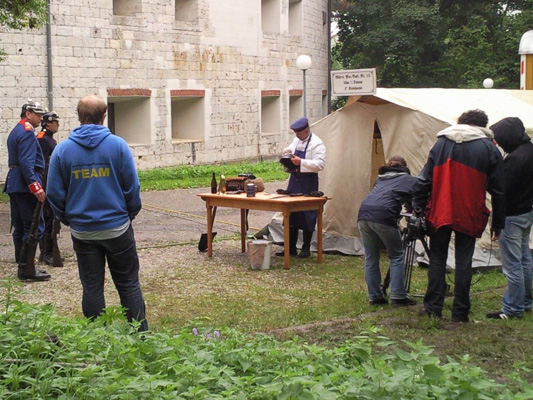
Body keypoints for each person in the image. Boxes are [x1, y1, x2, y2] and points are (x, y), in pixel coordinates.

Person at [47, 95, 148, 332]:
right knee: (128, 284)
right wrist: (128, 214)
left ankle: (96, 341)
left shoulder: (62, 150)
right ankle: (142, 337)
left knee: (92, 287)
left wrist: (69, 218)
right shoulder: (118, 145)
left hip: (83, 232)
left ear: (79, 116)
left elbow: (53, 193)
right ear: (104, 117)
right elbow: (132, 188)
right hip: (117, 229)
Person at [412, 109, 505, 323]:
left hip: (440, 210)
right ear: (483, 126)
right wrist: (498, 223)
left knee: (437, 259)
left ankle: (433, 308)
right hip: (469, 211)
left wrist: (417, 207)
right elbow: (499, 190)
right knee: (464, 262)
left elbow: (424, 180)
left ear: (460, 123)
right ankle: (460, 312)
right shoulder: (489, 148)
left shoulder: (441, 143)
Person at [486, 117, 533, 320]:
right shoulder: (530, 150)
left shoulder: (514, 158)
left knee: (513, 263)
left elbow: (502, 191)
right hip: (527, 211)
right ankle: (525, 302)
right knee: (524, 260)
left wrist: (497, 221)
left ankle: (513, 309)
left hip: (512, 215)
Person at [357, 156, 418, 307]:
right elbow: (414, 200)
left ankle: (375, 296)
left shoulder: (381, 178)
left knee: (371, 257)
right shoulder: (407, 179)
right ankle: (398, 295)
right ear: (404, 167)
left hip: (363, 214)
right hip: (384, 216)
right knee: (396, 255)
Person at [3, 100, 51, 281]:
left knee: (21, 225)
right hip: (25, 184)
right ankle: (27, 269)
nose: (41, 118)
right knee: (34, 226)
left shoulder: (17, 130)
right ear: (28, 113)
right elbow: (26, 162)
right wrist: (35, 186)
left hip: (15, 183)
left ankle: (21, 264)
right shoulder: (27, 132)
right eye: (38, 114)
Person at [277, 117, 326, 258]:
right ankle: (290, 247)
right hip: (295, 180)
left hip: (308, 181)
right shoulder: (297, 140)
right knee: (291, 213)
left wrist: (301, 162)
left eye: (299, 133)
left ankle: (306, 247)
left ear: (306, 130)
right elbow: (291, 149)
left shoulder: (317, 144)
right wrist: (286, 153)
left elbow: (320, 164)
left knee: (308, 214)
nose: (297, 136)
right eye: (296, 134)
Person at [37, 111, 61, 266]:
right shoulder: (44, 140)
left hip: (48, 182)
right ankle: (47, 253)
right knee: (48, 218)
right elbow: (45, 167)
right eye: (55, 122)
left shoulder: (46, 139)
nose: (58, 124)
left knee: (50, 218)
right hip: (46, 183)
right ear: (48, 123)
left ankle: (48, 252)